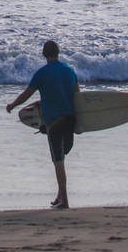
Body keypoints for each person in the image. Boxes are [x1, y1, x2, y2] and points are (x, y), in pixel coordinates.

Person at [6, 40, 80, 208]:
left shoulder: (42, 73)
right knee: (62, 157)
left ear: (44, 54)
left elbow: (27, 94)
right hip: (69, 120)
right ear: (58, 52)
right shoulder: (70, 71)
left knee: (58, 161)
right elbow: (78, 97)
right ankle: (59, 195)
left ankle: (65, 201)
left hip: (54, 122)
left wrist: (13, 105)